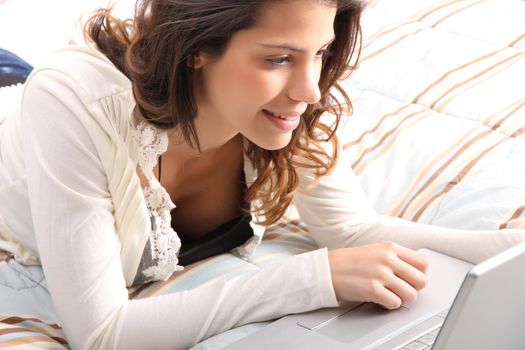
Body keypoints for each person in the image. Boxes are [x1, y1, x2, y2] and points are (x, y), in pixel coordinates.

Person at [0, 0, 523, 349]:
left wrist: (507, 248)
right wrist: (311, 279)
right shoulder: (76, 103)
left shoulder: (280, 108)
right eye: (278, 58)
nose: (311, 89)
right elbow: (103, 333)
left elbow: (353, 230)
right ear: (197, 48)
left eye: (319, 52)